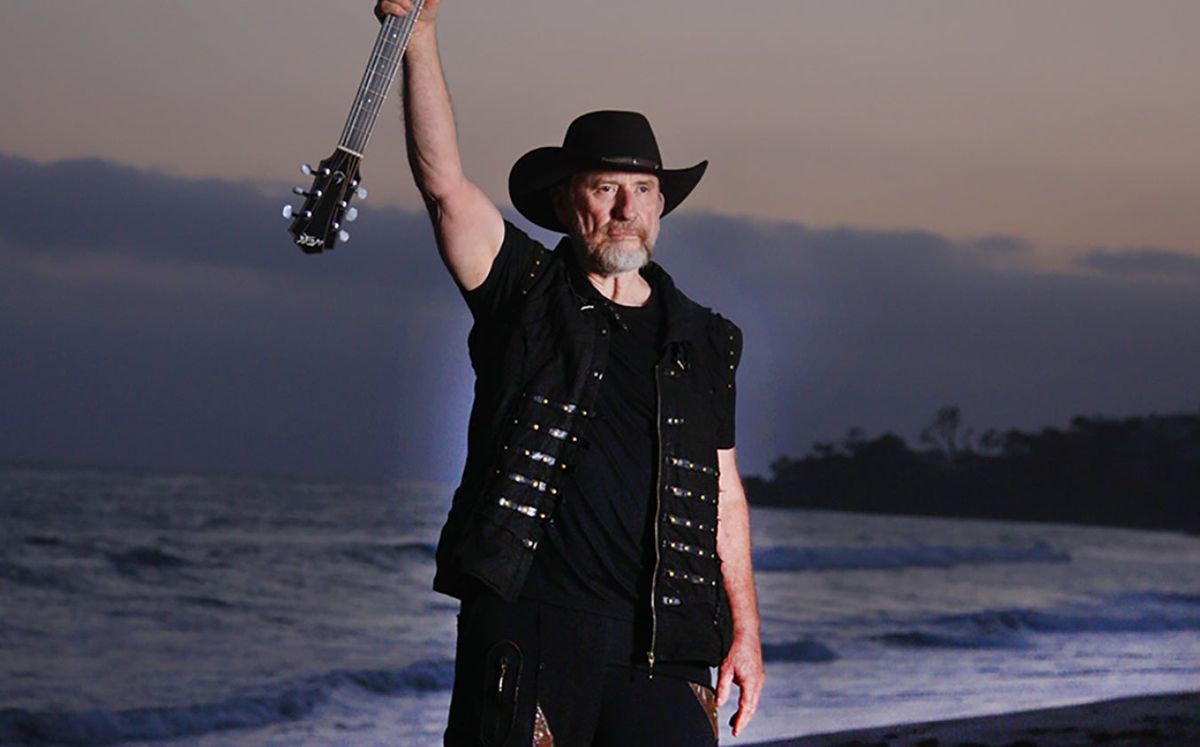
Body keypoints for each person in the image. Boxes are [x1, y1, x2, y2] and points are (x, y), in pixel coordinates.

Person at [377, 1, 764, 744]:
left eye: (642, 190)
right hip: (530, 630)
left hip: (668, 645)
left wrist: (745, 630)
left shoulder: (707, 339)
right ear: (564, 201)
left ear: (661, 204)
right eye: (604, 187)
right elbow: (445, 186)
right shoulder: (523, 292)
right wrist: (419, 39)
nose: (625, 207)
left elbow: (725, 493)